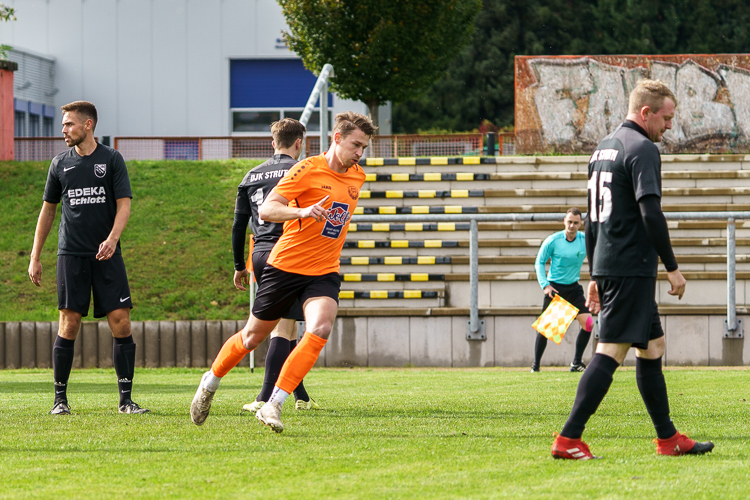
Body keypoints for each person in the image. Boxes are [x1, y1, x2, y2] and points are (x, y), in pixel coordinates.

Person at [551, 80, 713, 459]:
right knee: (611, 350)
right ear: (646, 113)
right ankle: (569, 438)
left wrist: (595, 273)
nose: (669, 126)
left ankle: (668, 439)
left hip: (613, 264)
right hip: (630, 267)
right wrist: (672, 267)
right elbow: (651, 213)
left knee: (653, 347)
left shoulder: (603, 148)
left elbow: (592, 219)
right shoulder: (642, 148)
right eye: (666, 118)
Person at [191, 111, 374, 430]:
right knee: (252, 337)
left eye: (364, 147)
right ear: (337, 138)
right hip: (285, 266)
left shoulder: (357, 176)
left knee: (320, 328)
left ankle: (273, 404)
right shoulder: (306, 168)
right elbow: (267, 209)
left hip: (324, 269)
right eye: (355, 145)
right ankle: (210, 382)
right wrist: (303, 211)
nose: (360, 153)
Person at [28, 101, 148, 415]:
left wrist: (113, 238)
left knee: (121, 321)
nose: (64, 130)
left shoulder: (111, 159)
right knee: (69, 323)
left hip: (107, 254)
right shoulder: (59, 164)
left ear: (88, 125)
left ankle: (126, 401)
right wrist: (35, 256)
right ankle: (60, 401)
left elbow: (124, 204)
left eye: (69, 124)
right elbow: (48, 212)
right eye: (63, 125)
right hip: (71, 254)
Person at [231, 118, 319, 413]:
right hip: (288, 252)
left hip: (259, 253)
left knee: (288, 325)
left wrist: (238, 265)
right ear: (299, 143)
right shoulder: (303, 170)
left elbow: (238, 226)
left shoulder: (251, 174)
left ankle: (301, 396)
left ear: (273, 142)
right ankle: (265, 397)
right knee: (282, 327)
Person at [531, 207, 593, 373]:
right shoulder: (553, 240)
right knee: (546, 330)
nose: (572, 225)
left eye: (576, 223)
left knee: (588, 324)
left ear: (580, 224)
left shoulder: (585, 240)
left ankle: (576, 363)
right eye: (569, 222)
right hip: (556, 289)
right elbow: (539, 262)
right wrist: (545, 285)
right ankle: (535, 366)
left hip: (574, 288)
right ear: (564, 221)